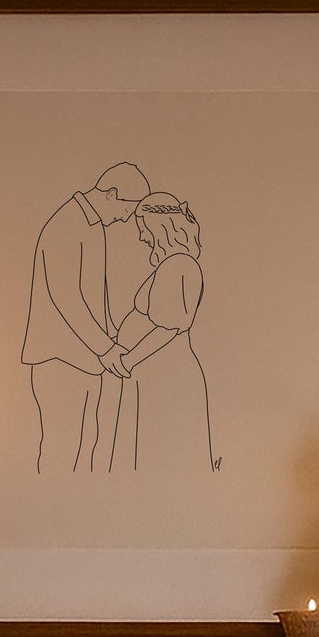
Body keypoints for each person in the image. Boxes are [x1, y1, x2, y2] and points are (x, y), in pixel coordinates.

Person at [20, 161, 150, 472]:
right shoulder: (66, 224)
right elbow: (67, 298)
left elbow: (93, 295)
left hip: (84, 360)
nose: (127, 218)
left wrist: (114, 339)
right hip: (60, 361)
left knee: (84, 447)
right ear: (112, 194)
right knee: (61, 450)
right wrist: (106, 347)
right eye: (128, 209)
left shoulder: (91, 226)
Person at [105, 191, 213, 473]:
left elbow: (169, 328)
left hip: (168, 374)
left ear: (160, 227)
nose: (141, 236)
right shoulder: (170, 265)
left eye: (143, 228)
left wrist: (128, 360)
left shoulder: (181, 266)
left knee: (166, 457)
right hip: (150, 373)